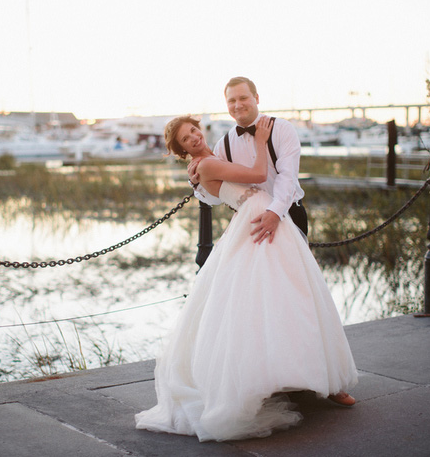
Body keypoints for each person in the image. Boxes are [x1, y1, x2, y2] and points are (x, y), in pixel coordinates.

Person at [134, 115, 358, 442]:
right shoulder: (207, 164)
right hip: (256, 218)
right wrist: (258, 141)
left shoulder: (212, 159)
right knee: (270, 298)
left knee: (289, 295)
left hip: (271, 215)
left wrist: (197, 180)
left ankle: (305, 377)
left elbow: (222, 187)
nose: (194, 137)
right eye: (186, 139)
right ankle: (277, 380)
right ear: (181, 149)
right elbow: (257, 174)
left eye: (193, 130)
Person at [189, 76, 308, 242]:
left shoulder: (282, 128)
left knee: (293, 268)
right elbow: (218, 198)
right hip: (250, 223)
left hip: (288, 213)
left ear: (256, 98)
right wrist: (198, 183)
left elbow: (287, 175)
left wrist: (274, 212)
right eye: (232, 100)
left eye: (243, 98)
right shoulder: (223, 145)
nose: (238, 105)